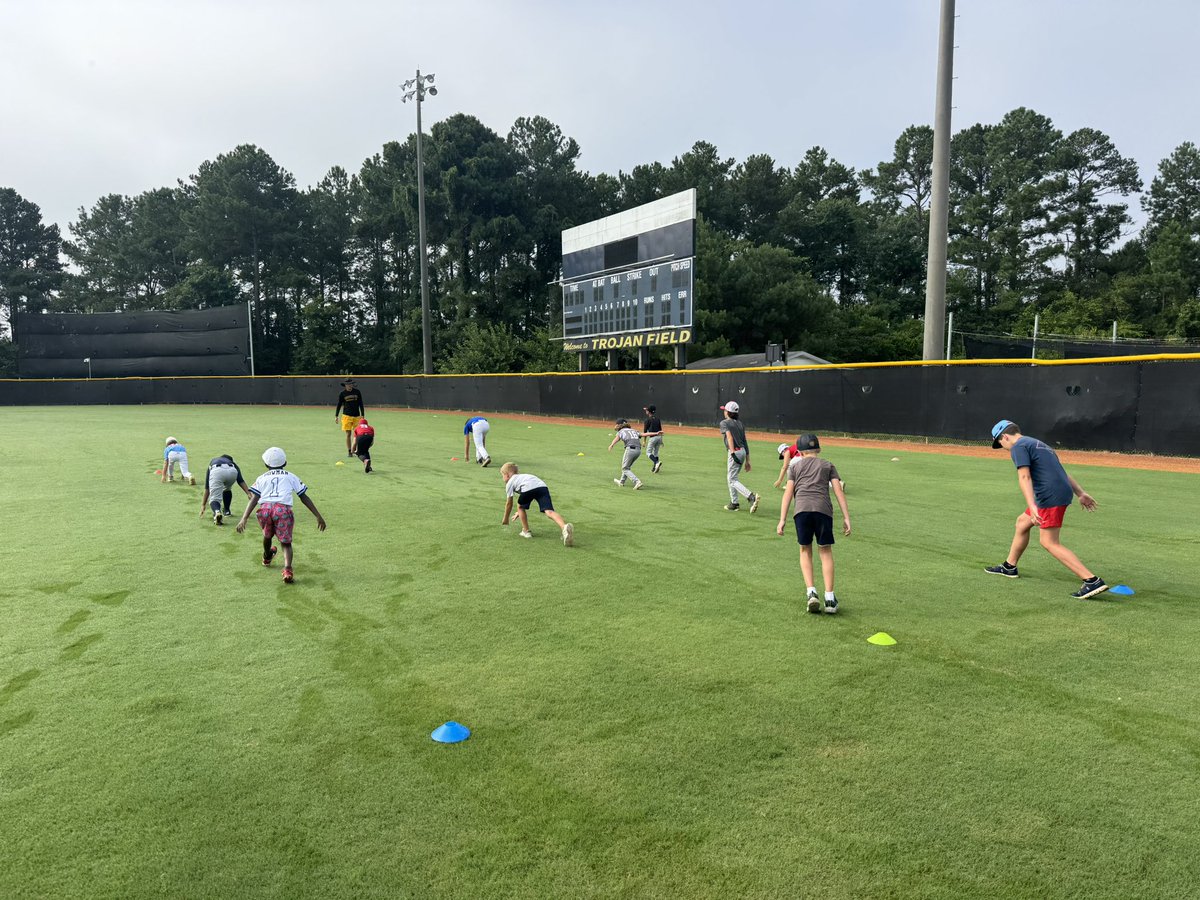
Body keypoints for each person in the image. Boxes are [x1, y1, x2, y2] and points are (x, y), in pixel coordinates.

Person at [985, 420, 1107, 599]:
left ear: (1005, 436)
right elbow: (1061, 472)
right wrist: (1080, 493)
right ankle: (1009, 567)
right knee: (1022, 523)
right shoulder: (1039, 444)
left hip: (1050, 496)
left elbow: (1024, 476)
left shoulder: (1018, 447)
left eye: (1000, 443)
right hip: (1057, 492)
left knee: (1049, 542)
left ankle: (1091, 580)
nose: (1002, 447)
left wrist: (1033, 506)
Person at [775, 434, 850, 614]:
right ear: (819, 449)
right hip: (823, 510)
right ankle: (830, 599)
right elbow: (838, 491)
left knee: (805, 549)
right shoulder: (828, 465)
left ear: (799, 451)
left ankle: (811, 593)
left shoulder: (795, 466)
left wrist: (782, 519)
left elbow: (788, 493)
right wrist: (847, 517)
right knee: (825, 551)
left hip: (801, 511)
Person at [236, 446, 327, 584]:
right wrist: (318, 516)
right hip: (282, 510)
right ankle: (287, 570)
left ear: (266, 464)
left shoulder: (262, 478)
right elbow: (303, 497)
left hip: (265, 510)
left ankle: (267, 556)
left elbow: (254, 498)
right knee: (286, 543)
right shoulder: (290, 476)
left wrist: (244, 518)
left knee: (267, 536)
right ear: (285, 463)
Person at [499, 462, 574, 546]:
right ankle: (564, 527)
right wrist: (519, 512)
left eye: (502, 475)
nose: (503, 478)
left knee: (520, 506)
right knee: (549, 512)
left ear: (507, 475)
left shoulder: (510, 482)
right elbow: (529, 493)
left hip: (528, 488)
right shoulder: (523, 477)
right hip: (542, 487)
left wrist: (505, 518)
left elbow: (509, 503)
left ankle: (526, 531)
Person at [719, 401, 759, 512]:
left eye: (725, 410)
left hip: (735, 452)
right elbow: (745, 442)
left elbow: (729, 438)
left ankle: (751, 496)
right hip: (742, 451)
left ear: (728, 412)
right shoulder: (740, 424)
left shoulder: (724, 423)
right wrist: (747, 460)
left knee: (732, 479)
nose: (724, 412)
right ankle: (734, 503)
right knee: (732, 478)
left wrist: (732, 452)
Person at [199, 454, 250, 524]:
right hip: (232, 471)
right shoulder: (232, 463)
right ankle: (227, 511)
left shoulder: (214, 460)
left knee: (214, 499)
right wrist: (248, 493)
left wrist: (203, 504)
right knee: (227, 489)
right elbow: (240, 480)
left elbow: (207, 487)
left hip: (217, 470)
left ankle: (217, 511)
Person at [608, 418, 644, 489]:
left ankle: (637, 482)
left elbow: (617, 439)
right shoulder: (633, 430)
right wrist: (655, 433)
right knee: (627, 467)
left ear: (619, 425)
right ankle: (621, 482)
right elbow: (644, 434)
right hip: (638, 451)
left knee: (625, 468)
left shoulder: (621, 431)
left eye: (617, 424)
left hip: (630, 450)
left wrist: (611, 445)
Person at [334, 378, 366, 456]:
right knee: (348, 434)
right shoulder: (342, 393)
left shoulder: (357, 392)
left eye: (351, 384)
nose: (349, 386)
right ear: (345, 385)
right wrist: (336, 415)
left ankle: (357, 449)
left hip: (356, 416)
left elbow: (361, 403)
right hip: (346, 416)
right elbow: (339, 404)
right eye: (348, 384)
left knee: (358, 435)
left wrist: (362, 414)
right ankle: (349, 451)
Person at [642, 405, 665, 473]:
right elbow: (660, 430)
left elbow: (645, 432)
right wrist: (661, 441)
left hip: (653, 438)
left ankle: (656, 462)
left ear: (649, 412)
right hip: (659, 437)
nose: (645, 411)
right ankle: (655, 468)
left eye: (646, 410)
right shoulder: (657, 419)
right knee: (656, 453)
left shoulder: (647, 420)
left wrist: (644, 441)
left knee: (648, 453)